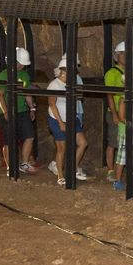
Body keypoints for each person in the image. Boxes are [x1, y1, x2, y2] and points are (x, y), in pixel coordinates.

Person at [47, 54, 89, 185]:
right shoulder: (54, 85)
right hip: (57, 118)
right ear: (63, 71)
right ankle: (60, 174)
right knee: (62, 148)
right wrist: (60, 122)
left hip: (71, 117)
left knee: (83, 143)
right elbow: (52, 104)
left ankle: (72, 167)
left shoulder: (72, 83)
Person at [0, 46, 37, 175]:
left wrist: (32, 108)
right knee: (9, 141)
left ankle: (24, 163)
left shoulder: (24, 75)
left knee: (29, 136)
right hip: (8, 112)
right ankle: (10, 167)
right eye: (20, 63)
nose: (21, 66)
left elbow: (27, 93)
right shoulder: (4, 75)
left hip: (22, 111)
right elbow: (0, 95)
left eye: (23, 64)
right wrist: (6, 111)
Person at [104, 42, 126, 180]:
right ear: (117, 56)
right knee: (113, 142)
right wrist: (114, 114)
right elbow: (109, 94)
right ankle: (110, 170)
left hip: (127, 112)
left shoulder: (130, 72)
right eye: (122, 53)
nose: (125, 56)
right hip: (116, 112)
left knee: (125, 142)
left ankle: (120, 167)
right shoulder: (111, 73)